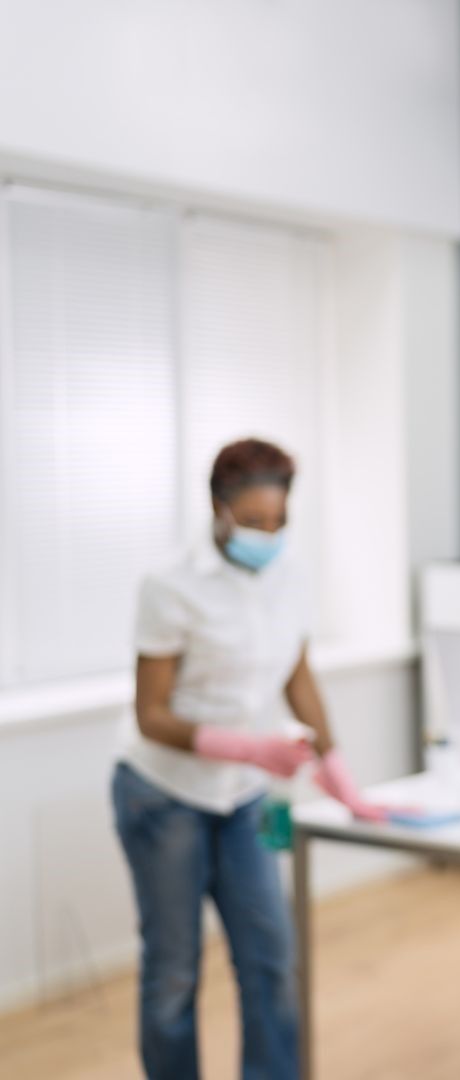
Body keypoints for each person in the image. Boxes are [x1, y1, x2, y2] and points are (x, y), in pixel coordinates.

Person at [113, 438, 385, 1080]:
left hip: (243, 796)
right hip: (163, 794)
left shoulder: (293, 577)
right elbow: (151, 714)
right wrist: (250, 747)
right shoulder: (170, 585)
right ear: (219, 508)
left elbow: (298, 675)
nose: (269, 533)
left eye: (279, 519)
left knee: (272, 960)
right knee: (175, 972)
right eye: (255, 520)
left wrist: (338, 772)